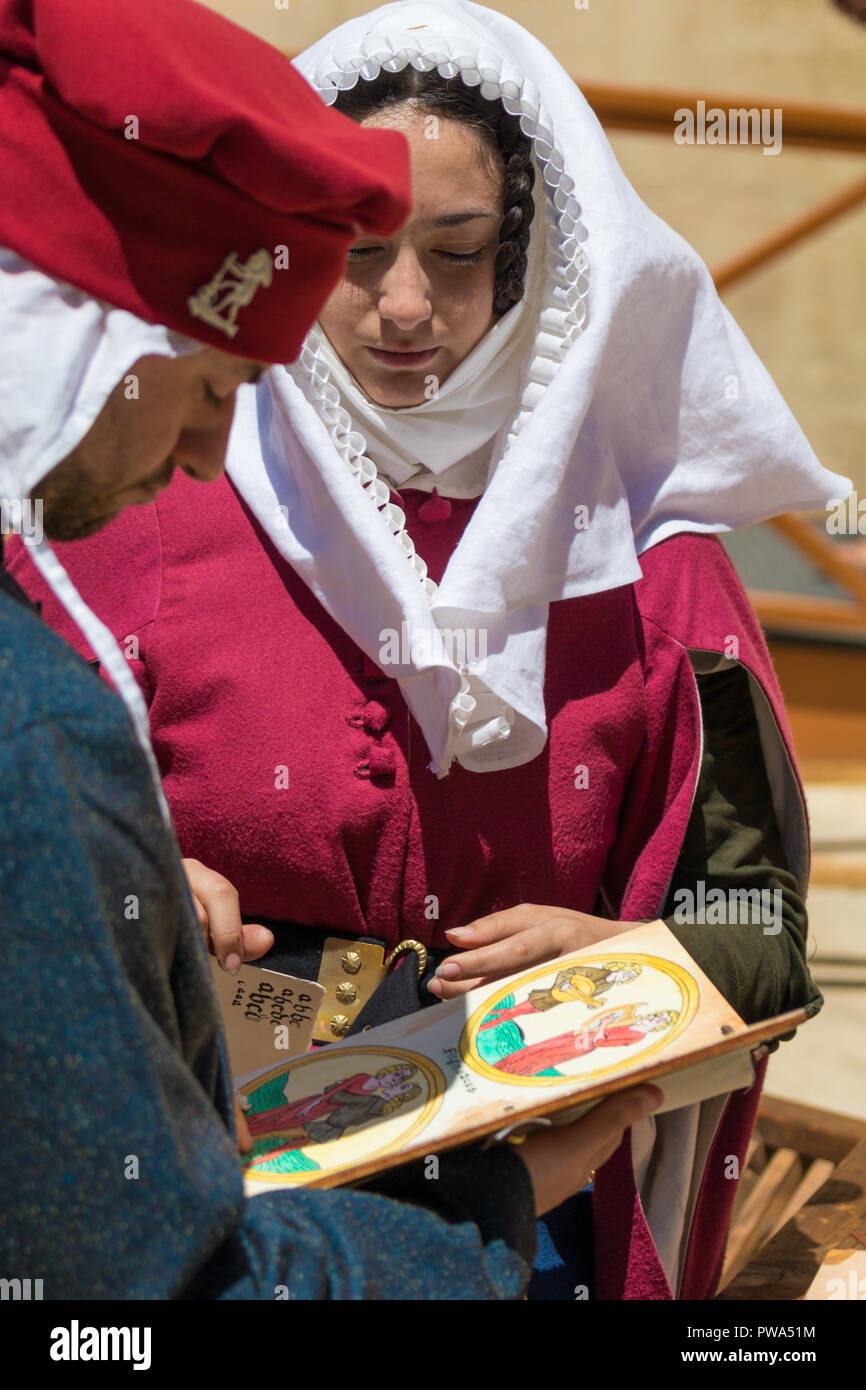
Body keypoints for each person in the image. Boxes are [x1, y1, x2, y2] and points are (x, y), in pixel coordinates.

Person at [8, 0, 851, 1300]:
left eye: (456, 256)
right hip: (204, 1200)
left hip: (523, 1209)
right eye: (353, 253)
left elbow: (763, 935)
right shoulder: (136, 492)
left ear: (536, 264)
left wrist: (627, 965)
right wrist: (141, 888)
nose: (403, 308)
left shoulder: (652, 562)